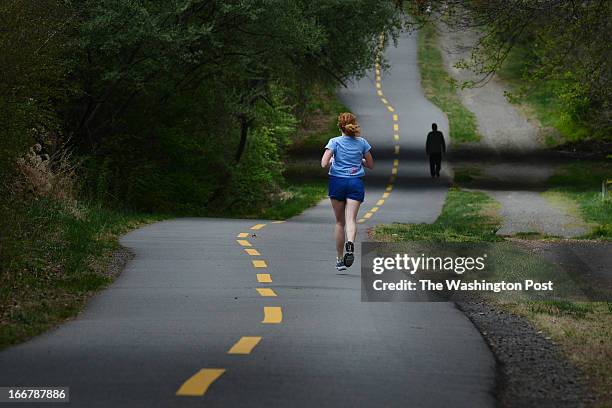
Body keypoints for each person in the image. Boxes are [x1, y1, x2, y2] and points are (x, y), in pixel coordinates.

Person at [321, 113, 374, 271]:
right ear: (354, 125)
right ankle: (350, 242)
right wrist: (361, 161)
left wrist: (332, 160)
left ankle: (339, 259)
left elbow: (324, 163)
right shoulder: (362, 143)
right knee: (351, 219)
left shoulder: (334, 142)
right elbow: (370, 164)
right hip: (355, 183)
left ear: (340, 126)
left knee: (339, 222)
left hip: (337, 182)